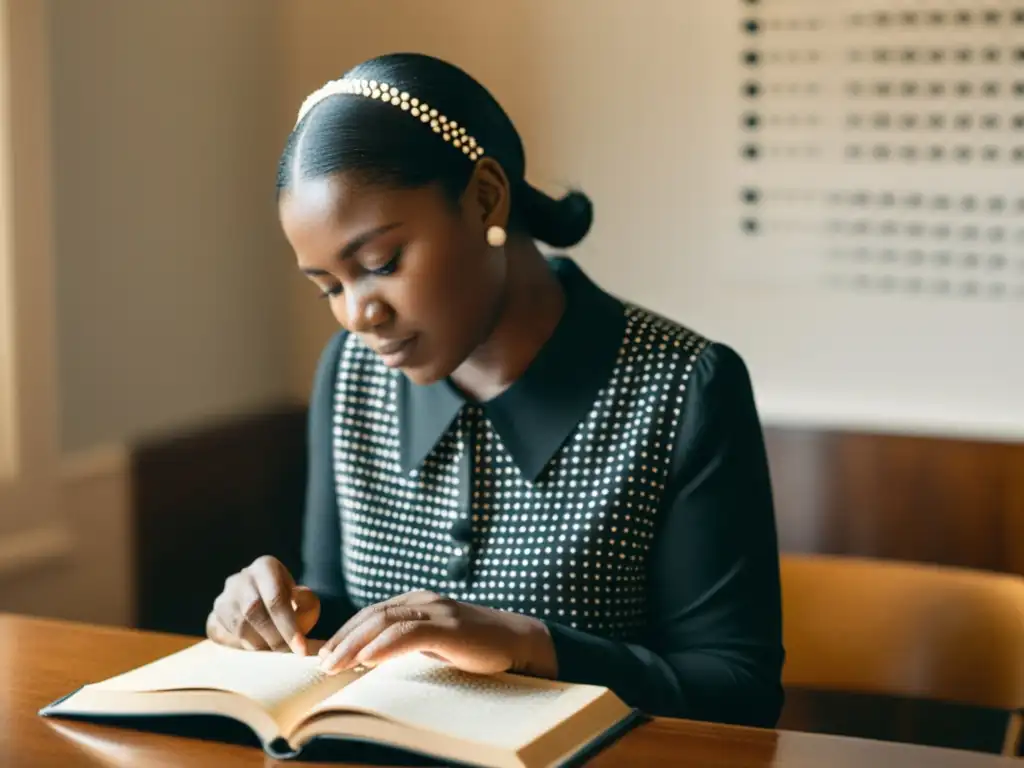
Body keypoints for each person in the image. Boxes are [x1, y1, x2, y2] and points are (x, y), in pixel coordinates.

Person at [206, 52, 785, 728]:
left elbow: (738, 694)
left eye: (380, 264)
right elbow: (335, 600)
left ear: (485, 197)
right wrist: (282, 613)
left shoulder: (682, 388)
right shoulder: (351, 373)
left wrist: (527, 646)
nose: (360, 314)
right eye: (329, 287)